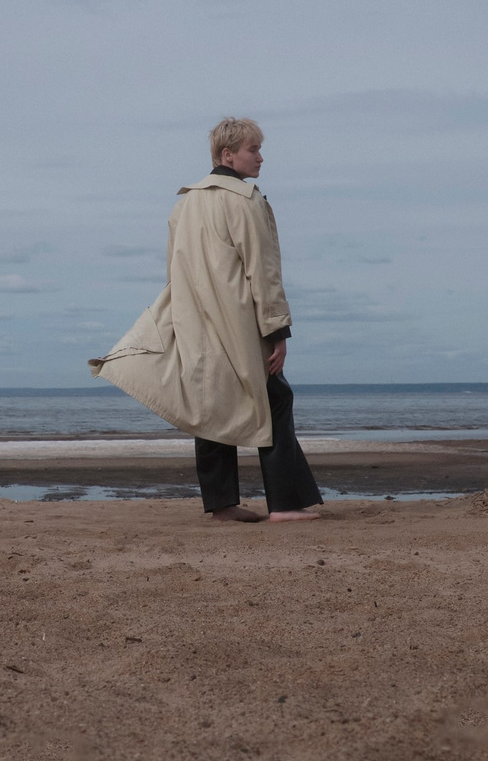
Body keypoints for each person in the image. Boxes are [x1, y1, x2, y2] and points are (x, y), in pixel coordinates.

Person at [90, 117, 325, 522]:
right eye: (254, 149)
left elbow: (172, 271)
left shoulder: (184, 205)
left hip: (193, 321)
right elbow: (263, 271)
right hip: (237, 322)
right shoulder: (246, 200)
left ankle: (222, 506)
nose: (261, 157)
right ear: (227, 154)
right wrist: (278, 330)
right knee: (275, 399)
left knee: (209, 404)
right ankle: (285, 506)